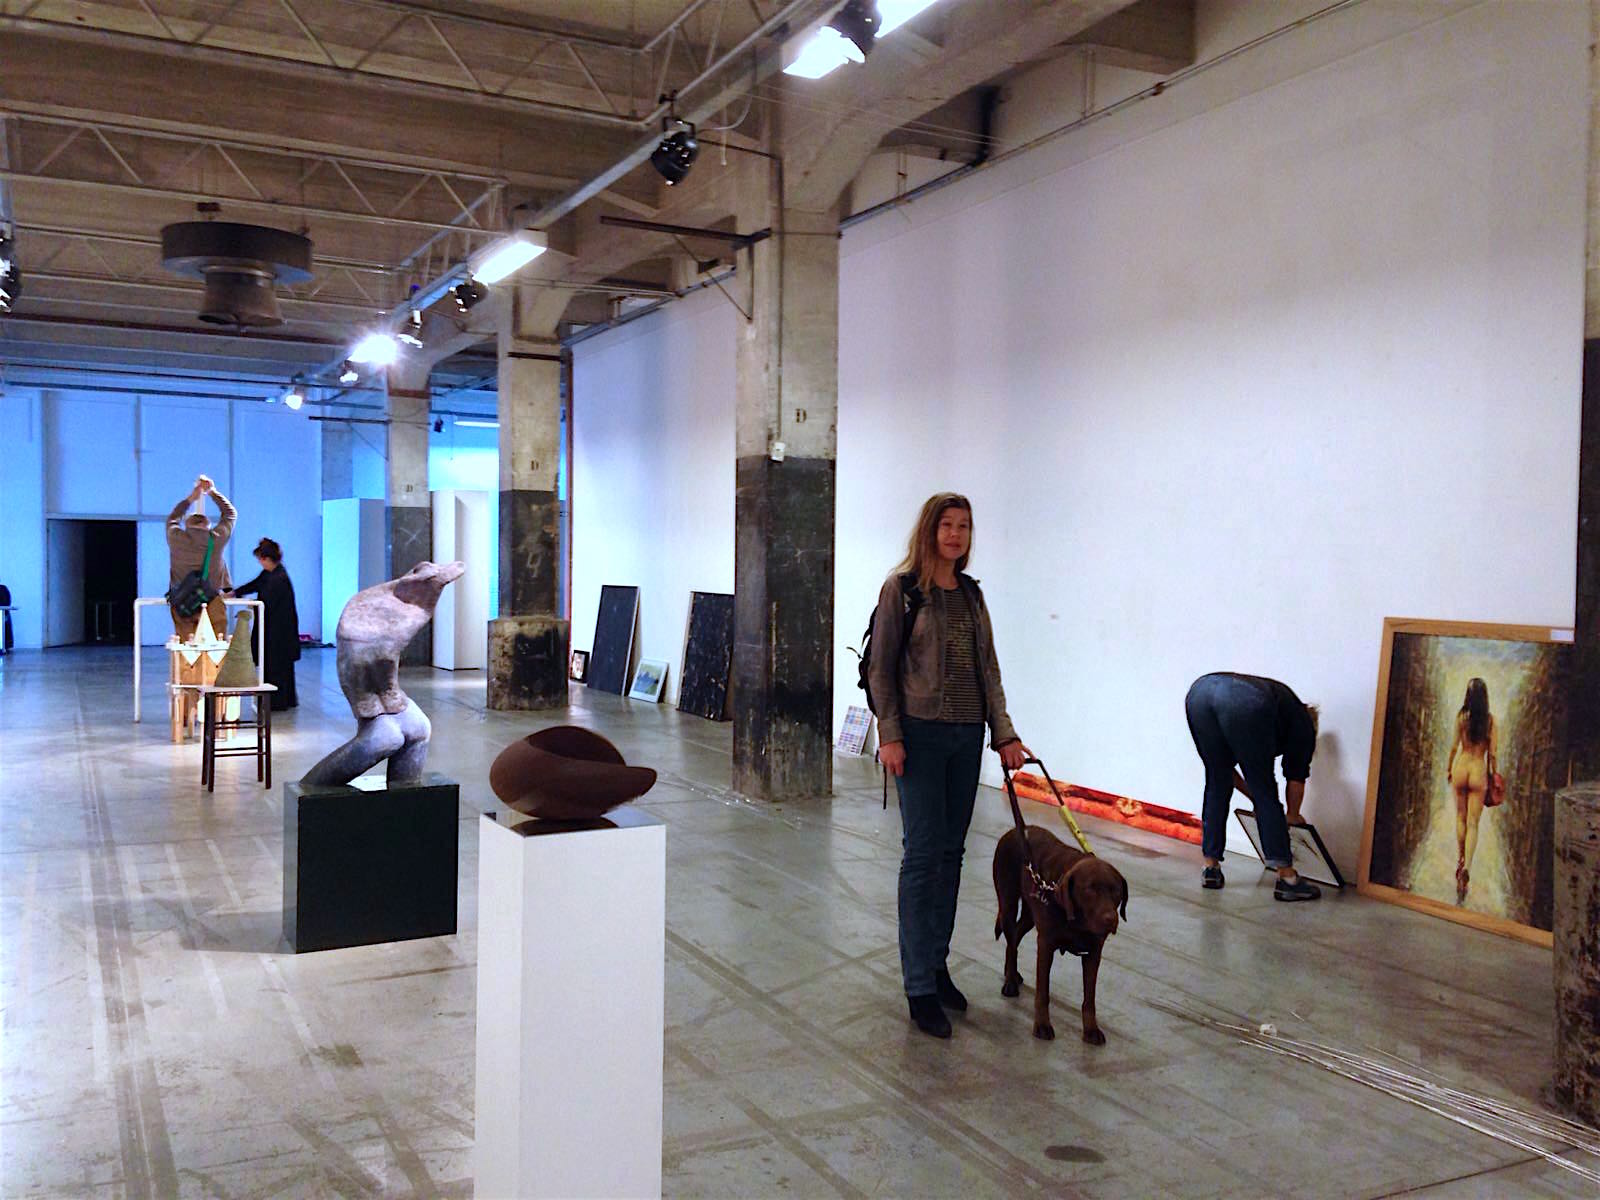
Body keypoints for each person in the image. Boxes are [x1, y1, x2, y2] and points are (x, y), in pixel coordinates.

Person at [869, 493, 1029, 1040]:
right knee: (921, 857)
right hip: (918, 735)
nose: (955, 535)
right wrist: (890, 734)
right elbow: (880, 671)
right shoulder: (904, 591)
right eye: (946, 525)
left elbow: (988, 667)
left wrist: (1003, 732)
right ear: (929, 531)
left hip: (966, 735)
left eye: (964, 526)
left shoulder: (971, 594)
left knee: (952, 854)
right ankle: (918, 986)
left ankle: (937, 967)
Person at [1184, 672, 1321, 901]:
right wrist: (1292, 815)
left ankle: (1211, 868)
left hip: (1200, 692)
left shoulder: (1284, 707)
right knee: (1265, 789)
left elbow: (1228, 772)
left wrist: (1256, 799)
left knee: (1217, 779)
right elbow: (1296, 779)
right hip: (1244, 701)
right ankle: (1287, 879)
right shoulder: (1304, 727)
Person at [228, 538, 301, 710]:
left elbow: (268, 601)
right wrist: (236, 592)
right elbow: (256, 584)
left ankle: (277, 702)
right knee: (277, 665)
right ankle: (283, 700)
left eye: (261, 559)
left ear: (267, 559)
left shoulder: (279, 577)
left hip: (278, 631)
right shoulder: (271, 573)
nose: (260, 563)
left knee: (276, 665)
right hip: (273, 628)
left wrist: (252, 604)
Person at [1446, 677, 1497, 904]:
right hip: (1478, 769)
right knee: (1473, 823)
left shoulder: (1461, 717)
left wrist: (1448, 768)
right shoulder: (1491, 722)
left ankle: (1460, 859)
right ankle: (1468, 866)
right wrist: (1494, 774)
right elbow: (1493, 754)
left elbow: (1454, 746)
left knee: (1460, 817)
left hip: (1461, 767)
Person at [166, 475, 235, 642]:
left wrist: (191, 498)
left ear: (187, 525)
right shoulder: (216, 538)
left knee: (185, 652)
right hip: (212, 602)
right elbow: (230, 514)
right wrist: (212, 492)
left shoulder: (176, 538)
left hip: (182, 603)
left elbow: (172, 518)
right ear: (207, 526)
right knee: (215, 652)